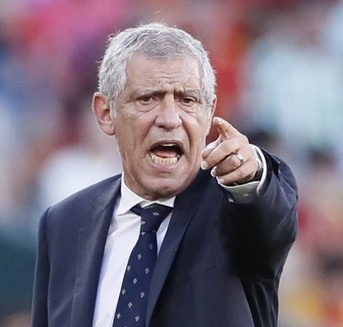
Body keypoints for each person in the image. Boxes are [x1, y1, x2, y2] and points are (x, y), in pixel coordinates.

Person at [31, 22, 298, 327]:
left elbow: (271, 220)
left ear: (210, 112)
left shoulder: (233, 205)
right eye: (148, 98)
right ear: (106, 113)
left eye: (187, 100)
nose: (170, 119)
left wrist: (251, 176)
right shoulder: (63, 223)